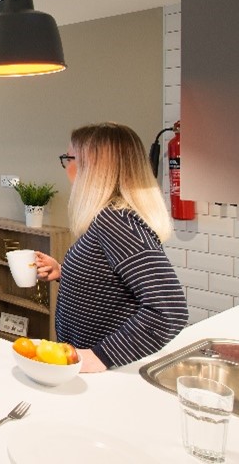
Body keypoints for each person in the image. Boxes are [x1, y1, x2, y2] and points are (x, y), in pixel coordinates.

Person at [35, 122, 188, 373]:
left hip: (103, 375)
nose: (67, 167)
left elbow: (169, 310)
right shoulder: (110, 219)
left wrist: (98, 357)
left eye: (69, 158)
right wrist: (64, 272)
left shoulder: (116, 221)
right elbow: (114, 280)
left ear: (93, 167)